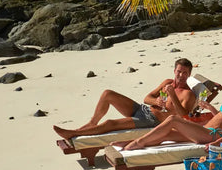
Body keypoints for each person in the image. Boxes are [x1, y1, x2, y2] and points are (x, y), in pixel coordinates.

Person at [53, 58, 200, 140]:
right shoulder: (167, 82)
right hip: (142, 109)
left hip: (151, 120)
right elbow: (147, 98)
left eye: (185, 73)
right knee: (107, 93)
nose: (181, 76)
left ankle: (74, 133)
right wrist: (156, 101)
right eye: (179, 72)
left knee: (110, 123)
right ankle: (91, 123)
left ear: (189, 74)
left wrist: (173, 96)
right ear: (174, 71)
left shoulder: (188, 94)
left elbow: (184, 117)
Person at [120, 69, 222, 150]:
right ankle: (131, 143)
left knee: (173, 120)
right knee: (167, 134)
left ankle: (137, 142)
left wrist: (217, 143)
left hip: (212, 135)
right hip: (206, 129)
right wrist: (211, 108)